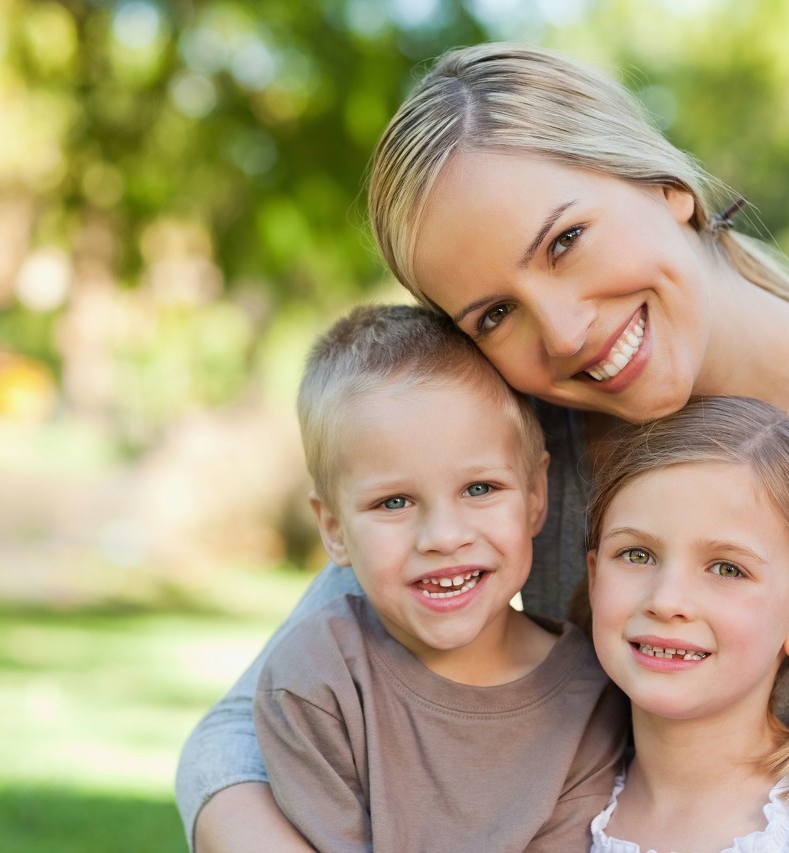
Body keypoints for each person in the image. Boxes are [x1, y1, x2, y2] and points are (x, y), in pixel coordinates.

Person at [176, 43, 789, 851]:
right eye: (494, 314)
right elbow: (233, 740)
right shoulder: (519, 461)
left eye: (566, 240)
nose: (567, 328)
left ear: (664, 186)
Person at [253, 303, 626, 851]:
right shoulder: (315, 682)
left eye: (479, 489)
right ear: (333, 530)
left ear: (535, 497)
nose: (443, 536)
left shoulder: (595, 692)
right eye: (394, 501)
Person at [576, 395, 789, 852]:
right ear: (594, 577)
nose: (667, 601)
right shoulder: (558, 803)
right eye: (637, 555)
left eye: (727, 568)